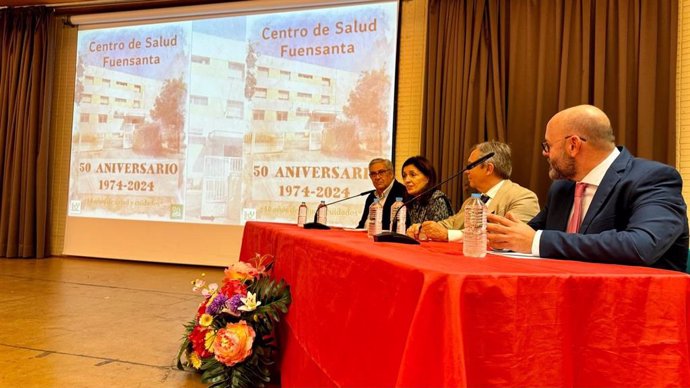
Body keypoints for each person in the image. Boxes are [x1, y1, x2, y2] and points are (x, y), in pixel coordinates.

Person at [487, 104, 689, 271]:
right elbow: (529, 233)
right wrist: (503, 237)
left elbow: (641, 246)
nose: (545, 154)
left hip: (636, 308)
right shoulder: (562, 188)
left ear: (573, 145)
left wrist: (537, 241)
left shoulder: (652, 178)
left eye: (547, 146)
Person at [407, 141, 540, 242]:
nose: (466, 171)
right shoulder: (472, 201)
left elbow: (509, 237)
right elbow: (451, 223)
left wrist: (448, 235)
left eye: (471, 166)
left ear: (488, 169)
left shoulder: (523, 198)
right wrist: (423, 228)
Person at [401, 156, 453, 227]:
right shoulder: (412, 200)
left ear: (427, 178)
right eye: (404, 176)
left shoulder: (437, 199)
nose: (407, 180)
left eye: (413, 175)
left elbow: (438, 233)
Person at [356, 158, 407, 229]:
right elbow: (362, 225)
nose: (377, 177)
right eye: (373, 174)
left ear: (391, 173)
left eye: (381, 172)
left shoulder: (403, 193)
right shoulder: (371, 196)